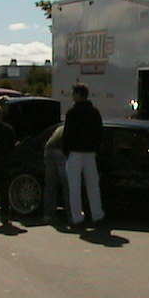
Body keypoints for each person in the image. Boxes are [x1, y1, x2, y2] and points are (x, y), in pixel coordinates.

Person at [61, 85, 105, 232]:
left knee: (74, 187)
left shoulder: (72, 112)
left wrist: (66, 151)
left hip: (75, 153)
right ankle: (97, 215)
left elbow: (67, 134)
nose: (72, 96)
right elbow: (100, 133)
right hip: (90, 153)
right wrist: (96, 149)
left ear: (79, 95)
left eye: (74, 93)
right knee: (93, 186)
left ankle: (77, 218)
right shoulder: (94, 112)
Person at [40, 121, 67, 226]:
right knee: (67, 185)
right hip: (60, 151)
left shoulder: (61, 126)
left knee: (50, 185)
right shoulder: (76, 127)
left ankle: (48, 215)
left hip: (49, 150)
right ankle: (71, 215)